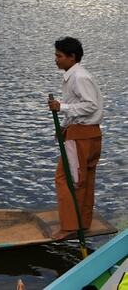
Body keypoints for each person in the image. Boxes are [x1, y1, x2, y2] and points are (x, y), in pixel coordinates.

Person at [47, 37, 104, 241]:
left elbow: (91, 105)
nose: (56, 59)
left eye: (59, 56)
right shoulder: (74, 76)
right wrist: (63, 127)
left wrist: (61, 107)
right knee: (84, 179)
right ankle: (83, 221)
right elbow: (79, 107)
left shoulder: (79, 76)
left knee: (68, 179)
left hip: (82, 136)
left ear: (72, 57)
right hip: (86, 133)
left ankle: (71, 226)